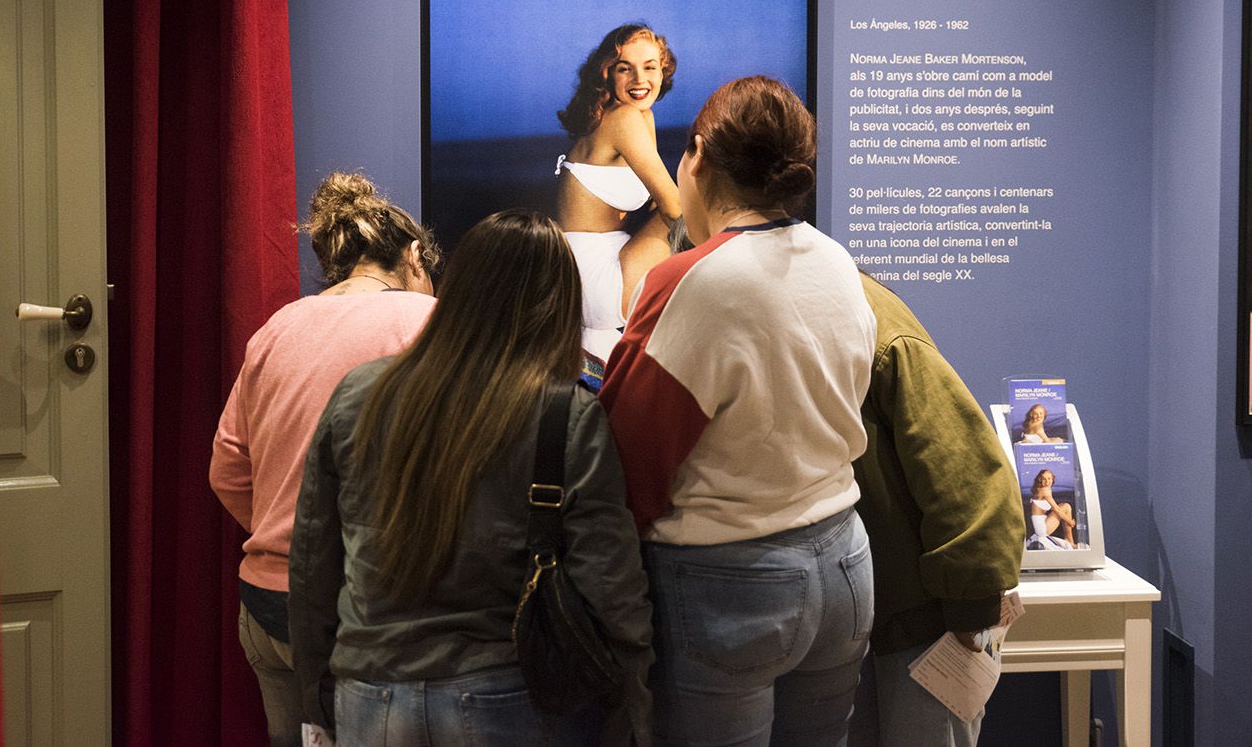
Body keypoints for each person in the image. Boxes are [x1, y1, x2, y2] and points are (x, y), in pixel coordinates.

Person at [288, 209, 653, 745]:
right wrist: (638, 704)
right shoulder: (567, 415)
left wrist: (317, 696)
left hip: (369, 689)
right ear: (558, 305)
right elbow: (611, 583)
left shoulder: (358, 394)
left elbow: (313, 562)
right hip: (504, 694)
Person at [600, 75, 877, 745]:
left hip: (729, 583)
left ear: (696, 156)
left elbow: (629, 459)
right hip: (843, 562)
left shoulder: (690, 279)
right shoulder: (837, 262)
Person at [209, 171, 440, 747]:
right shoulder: (423, 321)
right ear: (413, 257)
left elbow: (227, 470)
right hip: (363, 608)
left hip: (268, 603)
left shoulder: (276, 329)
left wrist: (289, 535)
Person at [846, 272, 1022, 747]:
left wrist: (970, 606)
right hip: (864, 618)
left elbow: (964, 467)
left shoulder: (870, 315)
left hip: (919, 622)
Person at [556, 23, 681, 360]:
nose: (640, 80)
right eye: (625, 68)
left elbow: (658, 204)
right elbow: (674, 209)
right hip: (595, 277)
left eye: (650, 67)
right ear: (607, 74)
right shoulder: (623, 119)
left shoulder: (640, 117)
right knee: (698, 202)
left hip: (594, 273)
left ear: (663, 71)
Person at [1026, 470, 1078, 550]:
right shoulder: (1044, 491)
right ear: (1040, 480)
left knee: (1063, 505)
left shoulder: (1038, 489)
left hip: (1037, 527)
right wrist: (1070, 521)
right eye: (1044, 479)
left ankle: (1069, 540)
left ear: (1053, 479)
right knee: (1066, 507)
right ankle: (1070, 541)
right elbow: (1056, 509)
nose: (1047, 481)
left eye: (1049, 478)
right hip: (1041, 529)